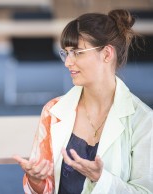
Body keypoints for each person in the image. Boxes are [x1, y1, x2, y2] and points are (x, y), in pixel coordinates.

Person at [13, 9, 153, 194]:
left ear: (106, 54)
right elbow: (44, 188)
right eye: (66, 53)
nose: (67, 62)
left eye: (77, 53)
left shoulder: (143, 121)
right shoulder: (53, 111)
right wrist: (35, 180)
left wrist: (102, 179)